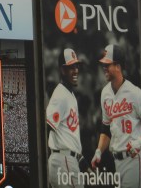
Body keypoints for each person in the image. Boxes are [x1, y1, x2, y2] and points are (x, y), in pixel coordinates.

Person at [91, 44, 141, 187]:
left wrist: (140, 141)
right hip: (116, 162)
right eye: (103, 64)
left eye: (107, 64)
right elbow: (106, 127)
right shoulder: (105, 93)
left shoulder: (135, 93)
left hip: (133, 161)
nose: (104, 68)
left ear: (118, 66)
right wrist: (99, 150)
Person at [46, 47, 84, 187]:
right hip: (63, 160)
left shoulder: (70, 94)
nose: (76, 71)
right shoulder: (61, 95)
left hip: (68, 159)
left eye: (76, 66)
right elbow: (47, 127)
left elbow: (68, 136)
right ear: (62, 70)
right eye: (71, 67)